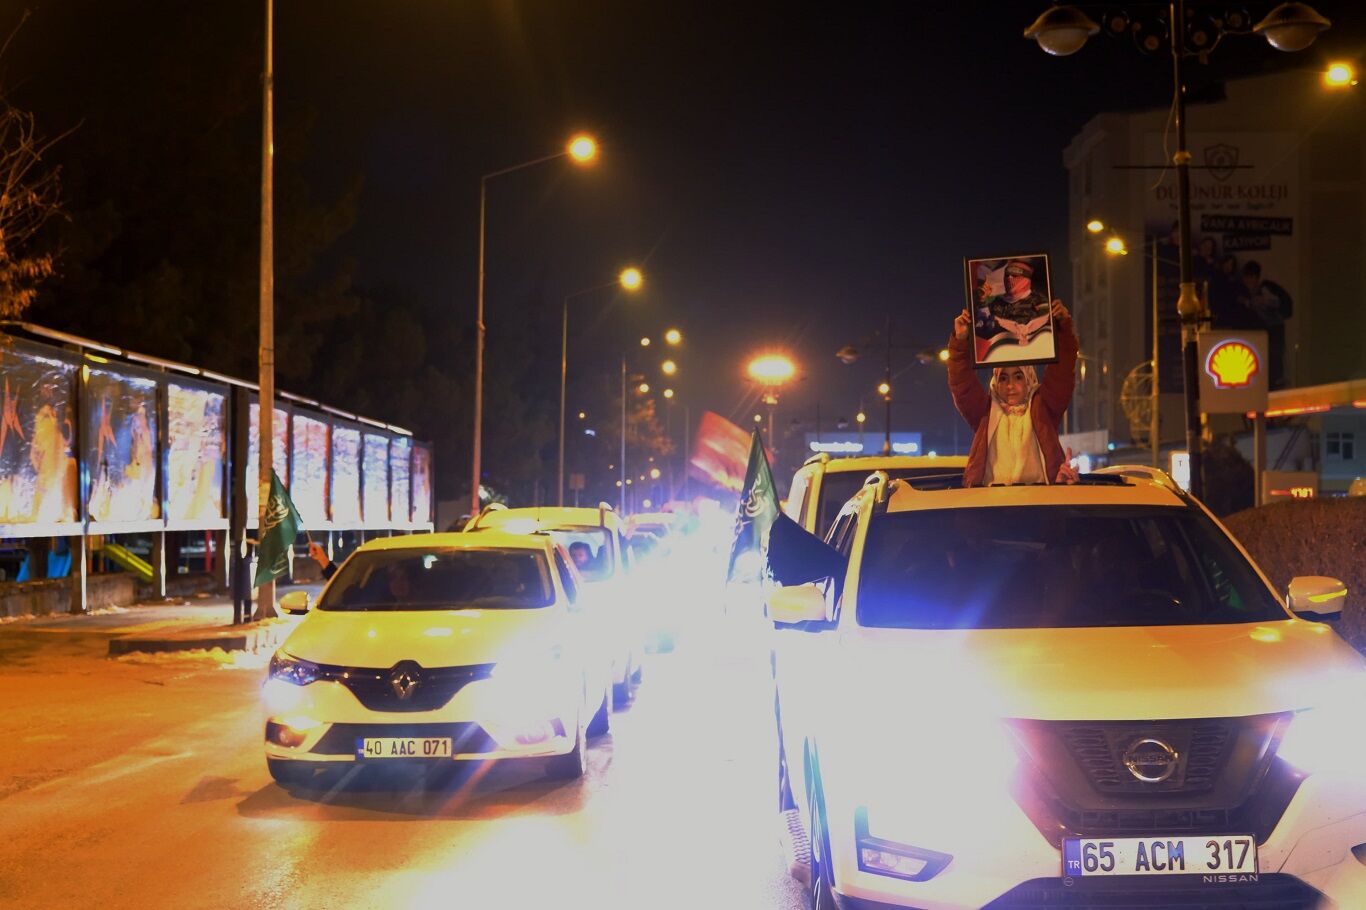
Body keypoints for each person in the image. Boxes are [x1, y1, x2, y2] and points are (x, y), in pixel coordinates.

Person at [948, 299, 1080, 487]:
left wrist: (1063, 327)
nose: (1010, 385)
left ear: (1029, 379)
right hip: (991, 502)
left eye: (1018, 377)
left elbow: (1062, 373)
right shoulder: (985, 412)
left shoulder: (1043, 407)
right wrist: (961, 340)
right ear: (995, 382)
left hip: (1038, 502)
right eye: (1003, 378)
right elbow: (962, 385)